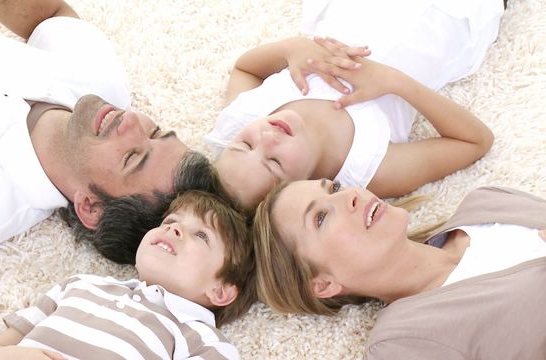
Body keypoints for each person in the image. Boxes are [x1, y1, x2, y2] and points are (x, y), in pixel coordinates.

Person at [0, 0, 213, 290]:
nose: (130, 121)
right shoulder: (104, 83)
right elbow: (51, 13)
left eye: (131, 157)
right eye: (156, 132)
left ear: (90, 207)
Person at [205, 0, 503, 211]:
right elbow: (474, 141)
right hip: (443, 18)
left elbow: (246, 70)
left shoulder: (243, 117)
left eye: (245, 144)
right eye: (274, 162)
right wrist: (393, 82)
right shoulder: (366, 168)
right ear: (299, 190)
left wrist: (292, 48)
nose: (266, 138)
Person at [252, 180, 546, 359]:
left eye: (335, 187)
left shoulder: (487, 200)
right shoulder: (402, 341)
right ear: (324, 284)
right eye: (320, 217)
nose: (350, 195)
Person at [0, 190, 256, 359]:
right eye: (170, 221)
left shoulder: (198, 336)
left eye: (201, 236)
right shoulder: (81, 285)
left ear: (221, 290)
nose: (173, 229)